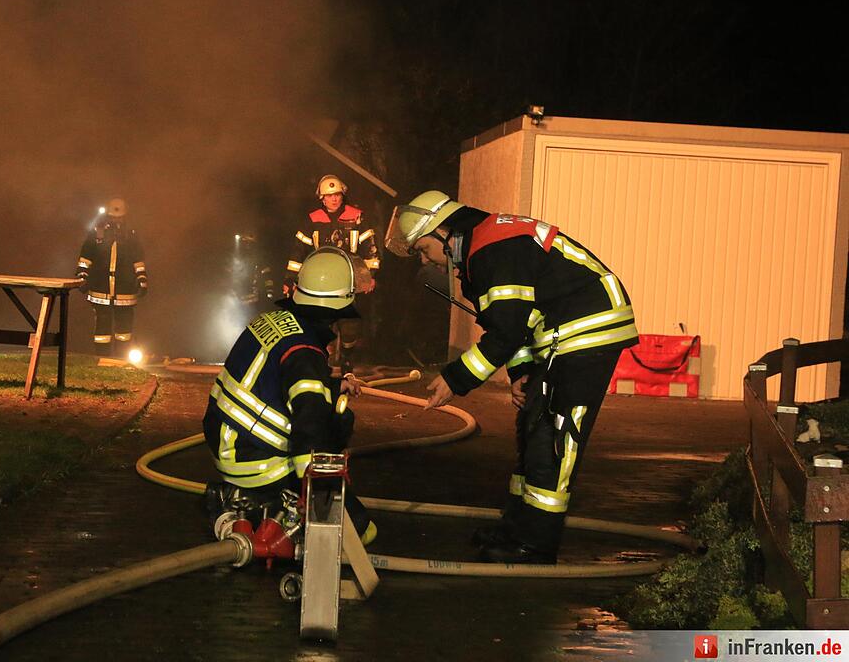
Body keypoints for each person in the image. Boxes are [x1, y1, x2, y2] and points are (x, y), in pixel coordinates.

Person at [384, 191, 638, 564]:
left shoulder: (491, 251)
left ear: (442, 232)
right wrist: (521, 372)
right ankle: (517, 527)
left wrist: (454, 380)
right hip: (559, 336)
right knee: (533, 427)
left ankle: (535, 545)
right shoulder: (483, 247)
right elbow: (515, 322)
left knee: (553, 439)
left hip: (586, 333)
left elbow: (506, 332)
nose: (425, 259)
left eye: (423, 249)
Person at [203, 246, 376, 544]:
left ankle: (240, 498)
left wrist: (333, 387)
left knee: (330, 405)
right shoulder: (305, 351)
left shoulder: (275, 322)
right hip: (254, 461)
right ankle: (274, 504)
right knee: (338, 419)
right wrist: (322, 494)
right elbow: (310, 423)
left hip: (228, 442)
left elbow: (272, 384)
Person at [285, 175, 380, 374]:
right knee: (320, 322)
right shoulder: (312, 220)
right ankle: (322, 360)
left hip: (349, 279)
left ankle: (347, 360)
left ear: (342, 195)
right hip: (320, 282)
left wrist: (369, 276)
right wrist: (290, 279)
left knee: (349, 324)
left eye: (336, 194)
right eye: (329, 196)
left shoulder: (357, 217)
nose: (334, 199)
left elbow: (370, 248)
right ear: (322, 198)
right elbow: (298, 252)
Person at [76, 198, 148, 363]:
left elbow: (138, 259)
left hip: (125, 290)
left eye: (119, 217)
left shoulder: (131, 235)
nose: (116, 221)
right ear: (107, 216)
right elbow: (86, 257)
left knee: (124, 330)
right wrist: (82, 275)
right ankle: (102, 360)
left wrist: (141, 278)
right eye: (114, 217)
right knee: (102, 329)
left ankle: (122, 361)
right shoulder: (97, 233)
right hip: (101, 289)